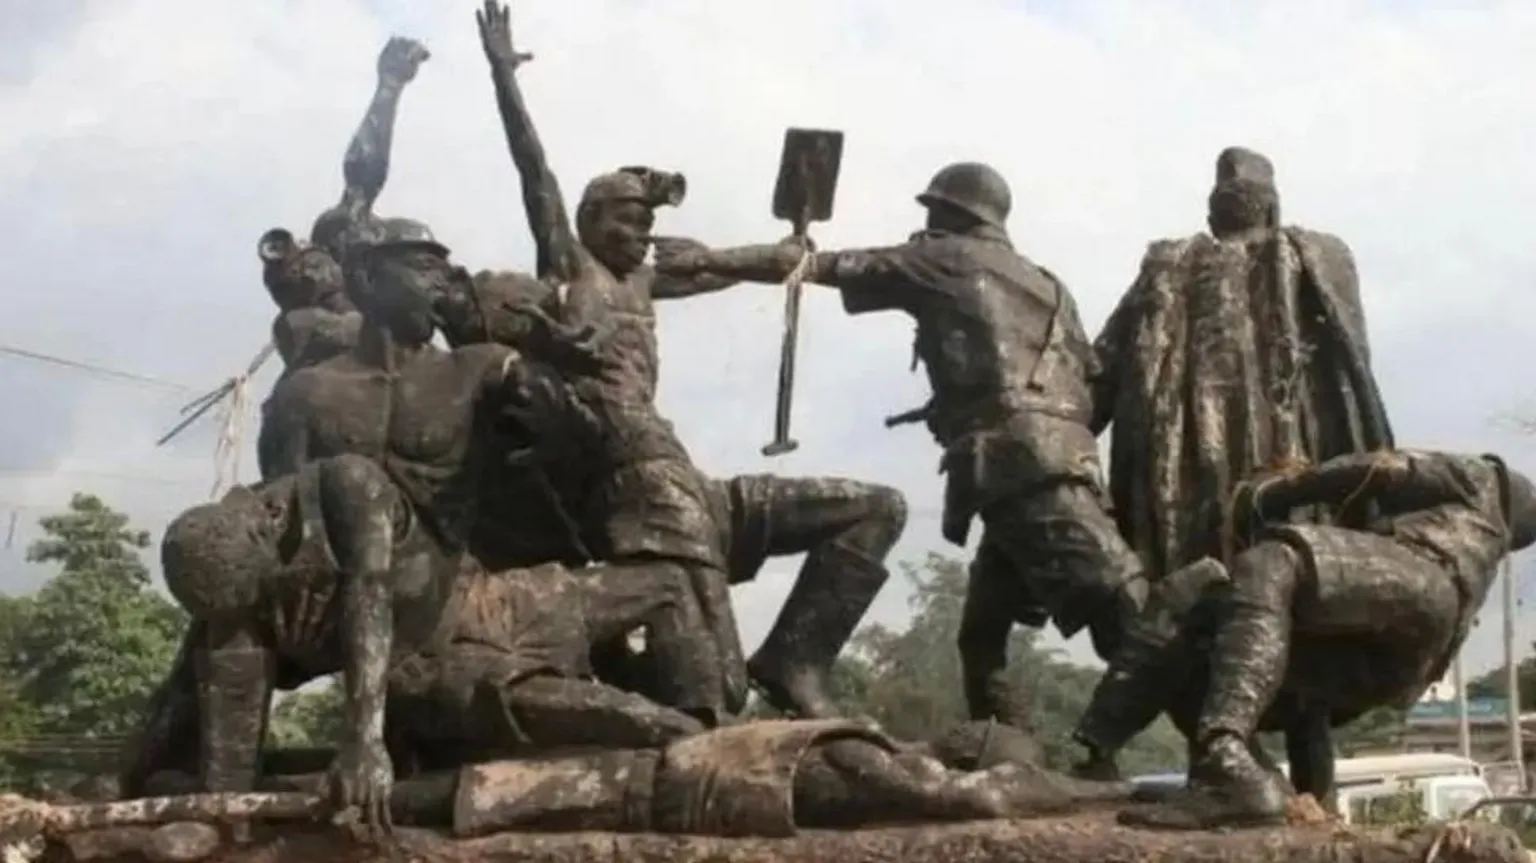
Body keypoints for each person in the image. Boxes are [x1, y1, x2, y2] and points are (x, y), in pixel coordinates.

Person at [654, 160, 1148, 725]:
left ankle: (1152, 734)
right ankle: (1003, 743)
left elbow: (816, 266)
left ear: (950, 213)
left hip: (1022, 469)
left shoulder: (944, 257)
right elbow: (1080, 383)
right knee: (982, 636)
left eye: (932, 212)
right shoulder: (1050, 286)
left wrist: (709, 259)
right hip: (1049, 462)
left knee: (1122, 607)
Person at [1077, 146, 1396, 778]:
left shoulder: (1172, 267)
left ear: (1214, 212)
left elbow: (1097, 379)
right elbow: (1354, 377)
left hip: (1212, 489)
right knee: (1284, 625)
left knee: (1211, 620)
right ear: (1272, 208)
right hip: (1273, 488)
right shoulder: (1310, 256)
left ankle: (1233, 773)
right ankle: (1284, 782)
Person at [475, 0, 749, 716]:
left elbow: (727, 270)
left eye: (647, 223)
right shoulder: (574, 266)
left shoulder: (645, 282)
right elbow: (533, 171)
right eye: (628, 220)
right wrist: (504, 76)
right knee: (695, 587)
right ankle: (701, 701)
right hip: (607, 450)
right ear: (591, 221)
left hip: (648, 445)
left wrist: (783, 257)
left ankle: (688, 692)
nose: (640, 234)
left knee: (702, 606)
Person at [1082, 449, 1536, 829]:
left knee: (1272, 563)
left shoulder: (1484, 478)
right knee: (1192, 598)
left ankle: (1225, 754)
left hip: (1424, 577)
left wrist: (1277, 492)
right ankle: (1097, 755)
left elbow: (1382, 468)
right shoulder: (1484, 541)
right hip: (1402, 660)